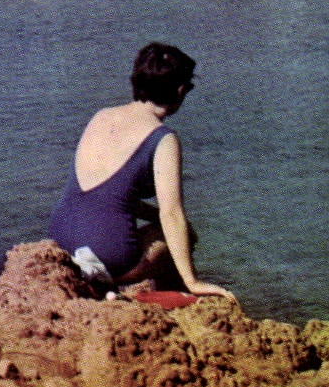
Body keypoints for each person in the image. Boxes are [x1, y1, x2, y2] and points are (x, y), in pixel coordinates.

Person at [48, 43, 233, 299]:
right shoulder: (163, 139)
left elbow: (107, 194)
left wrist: (151, 214)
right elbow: (172, 214)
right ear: (180, 91)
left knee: (159, 225)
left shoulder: (101, 116)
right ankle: (178, 295)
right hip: (107, 257)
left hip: (62, 243)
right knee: (183, 235)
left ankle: (120, 287)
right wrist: (194, 281)